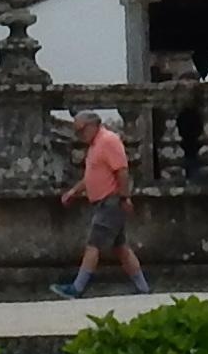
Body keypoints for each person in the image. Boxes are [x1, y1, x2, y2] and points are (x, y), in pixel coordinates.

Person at [53, 108, 146, 298]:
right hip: (104, 201)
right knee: (121, 247)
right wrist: (73, 192)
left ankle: (77, 288)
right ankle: (143, 287)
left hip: (110, 201)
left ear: (93, 125)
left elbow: (122, 171)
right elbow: (90, 177)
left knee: (93, 244)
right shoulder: (96, 145)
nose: (79, 135)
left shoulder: (108, 141)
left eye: (81, 130)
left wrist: (124, 197)